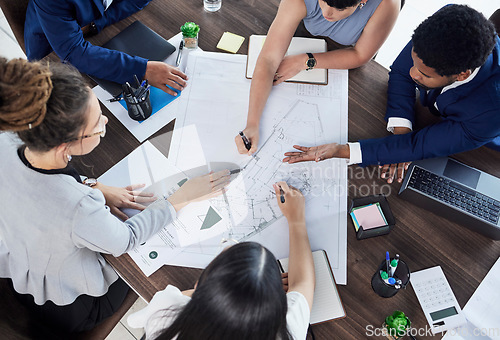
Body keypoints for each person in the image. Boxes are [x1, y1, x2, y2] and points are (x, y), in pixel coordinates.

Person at [0, 58, 229, 333]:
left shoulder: (8, 141)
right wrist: (179, 198)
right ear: (65, 146)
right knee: (163, 271)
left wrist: (93, 185)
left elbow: (42, 192)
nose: (105, 120)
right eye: (98, 124)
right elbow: (124, 240)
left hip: (23, 272)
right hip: (74, 305)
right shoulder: (78, 206)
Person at [281, 5, 500, 184]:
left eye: (423, 74)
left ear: (461, 75)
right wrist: (401, 134)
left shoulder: (491, 113)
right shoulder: (443, 30)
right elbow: (400, 72)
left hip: (483, 146)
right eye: (414, 62)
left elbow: (421, 145)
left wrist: (343, 150)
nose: (412, 73)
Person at [127, 182, 315, 340]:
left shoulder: (166, 311)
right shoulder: (287, 330)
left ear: (200, 283)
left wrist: (227, 292)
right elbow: (303, 283)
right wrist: (296, 220)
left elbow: (137, 319)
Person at [235, 0, 401, 155]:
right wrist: (252, 124)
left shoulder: (387, 4)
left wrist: (305, 61)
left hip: (350, 50)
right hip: (307, 33)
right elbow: (269, 59)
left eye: (340, 9)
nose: (327, 13)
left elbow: (361, 54)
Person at [24, 0, 187, 96]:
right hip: (51, 51)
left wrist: (97, 25)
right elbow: (72, 51)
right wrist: (142, 70)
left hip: (96, 26)